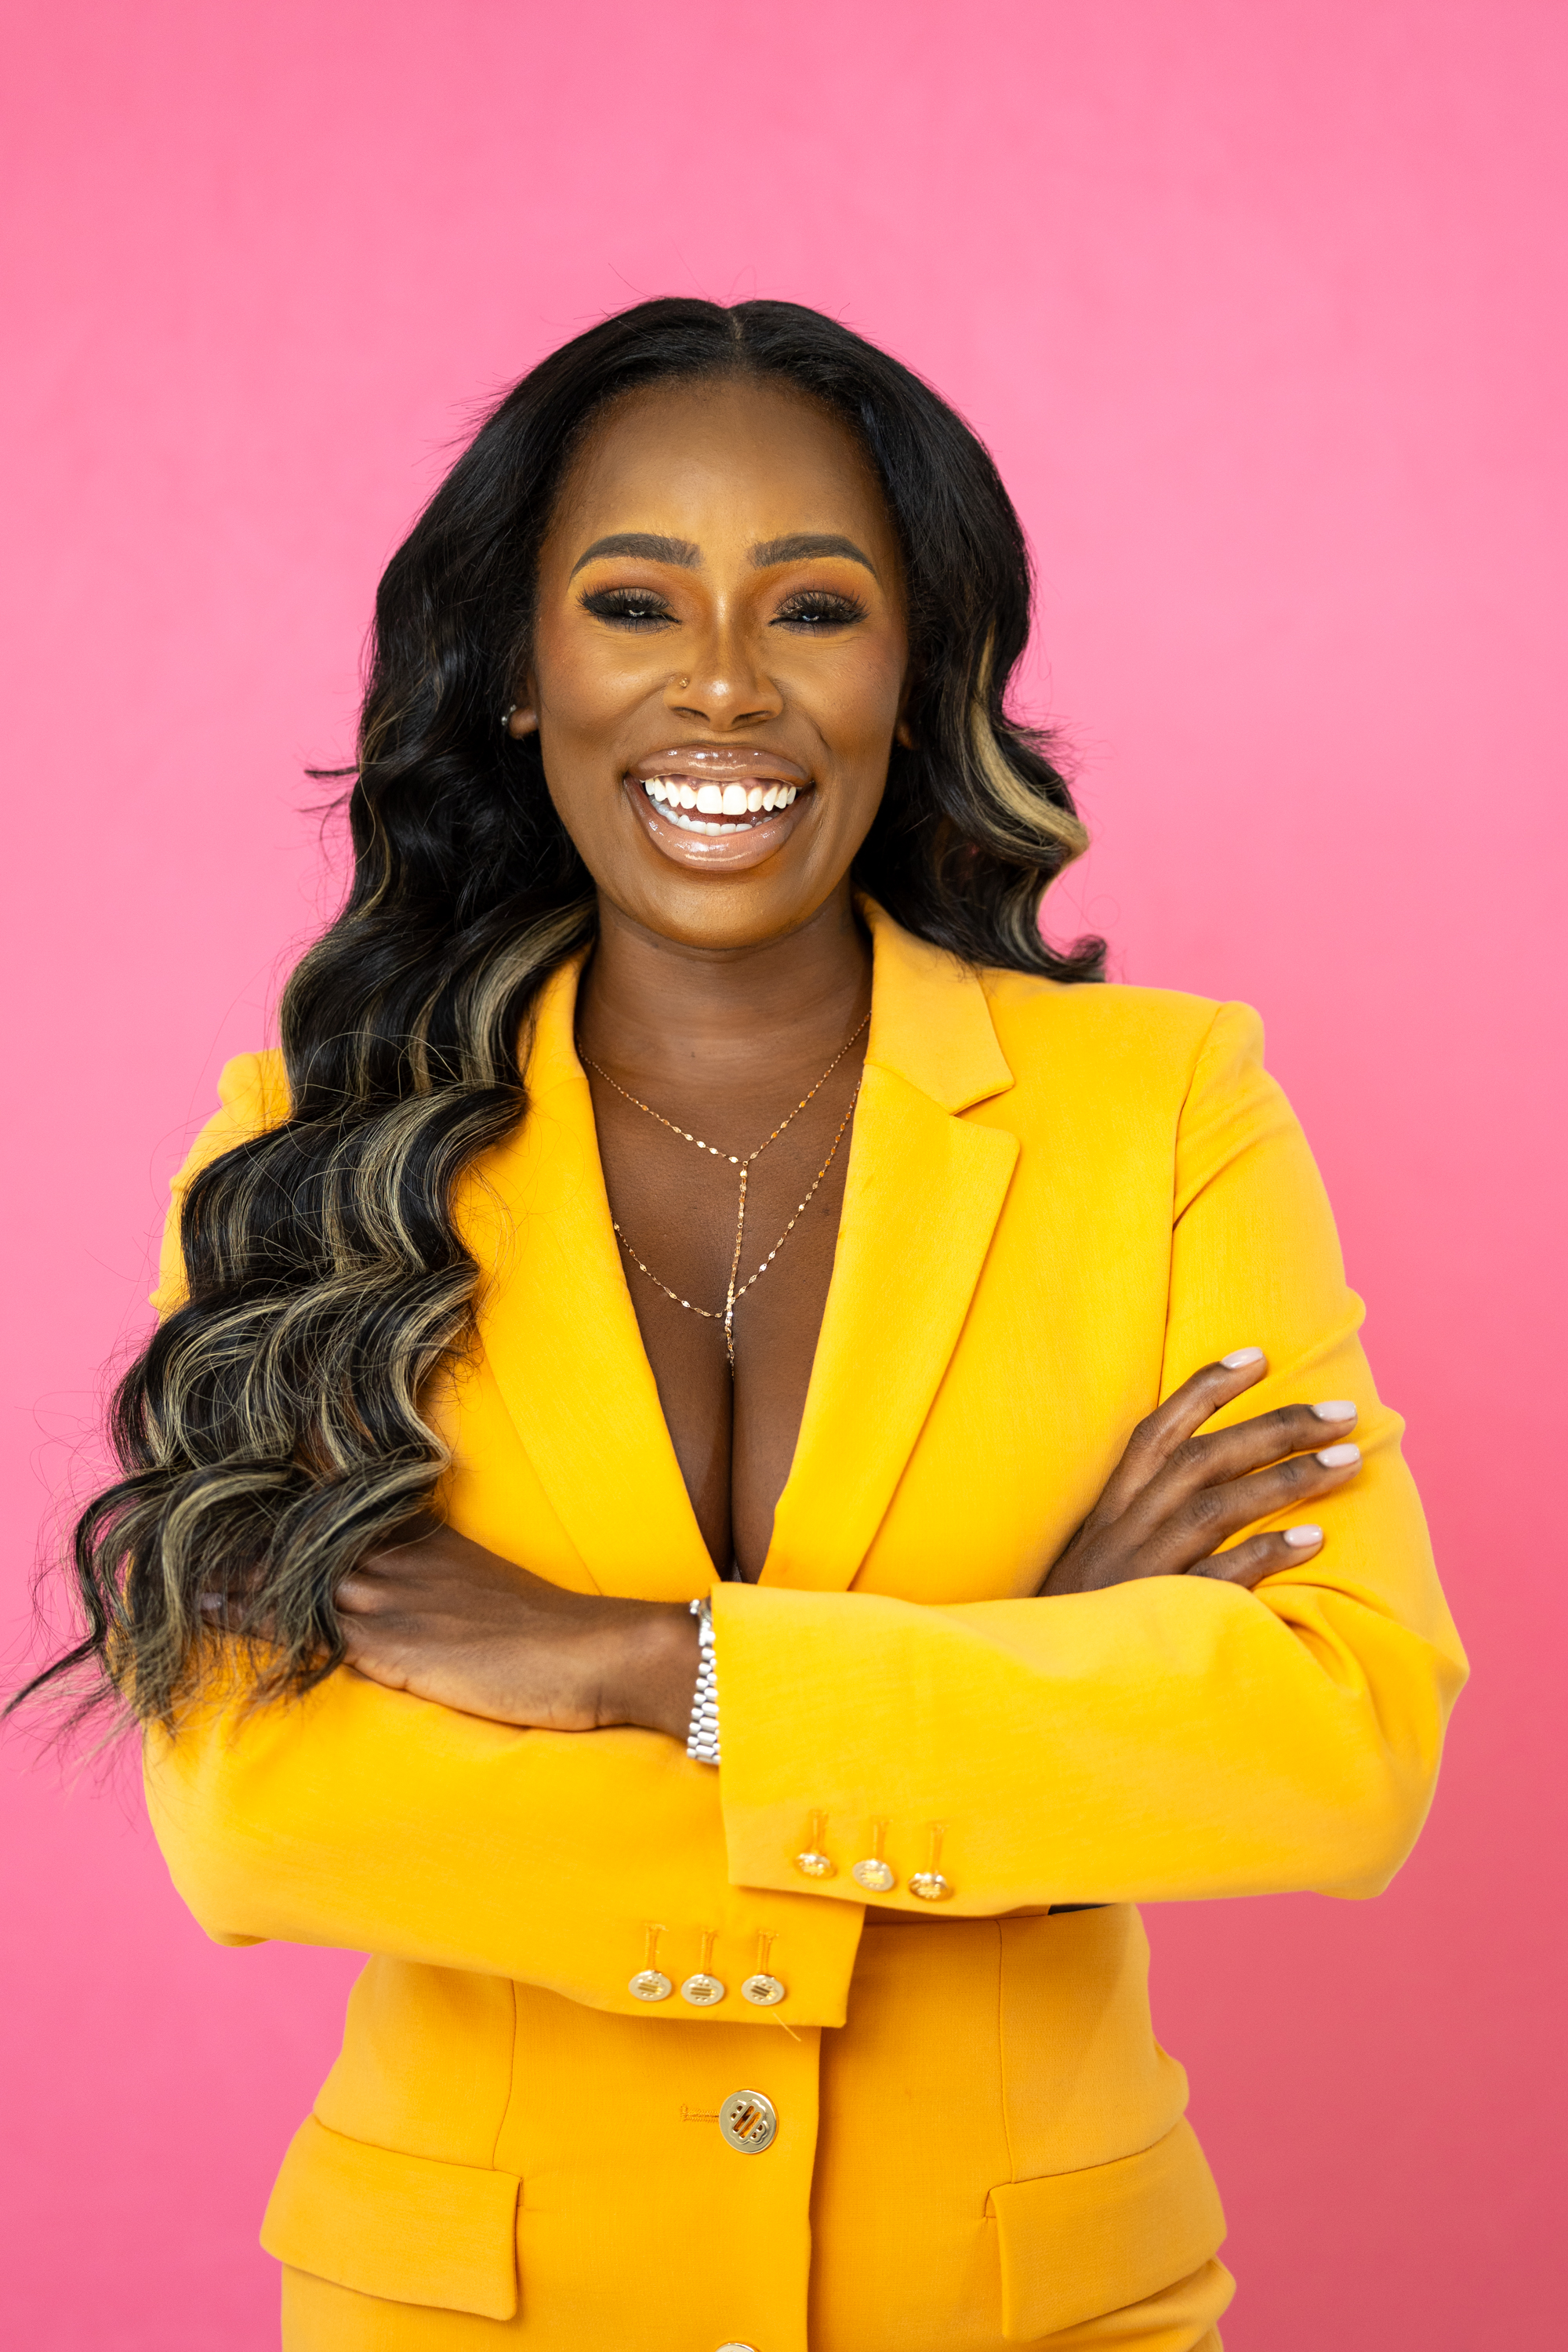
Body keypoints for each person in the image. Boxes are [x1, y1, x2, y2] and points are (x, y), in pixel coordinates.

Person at [29, 299, 1465, 2351]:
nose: (720, 683)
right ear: (517, 671)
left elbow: (1340, 1742)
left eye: (813, 608)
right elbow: (261, 1813)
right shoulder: (309, 1145)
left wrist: (653, 1671)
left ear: (918, 669)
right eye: (632, 601)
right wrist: (1023, 1729)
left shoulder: (1164, 1115)